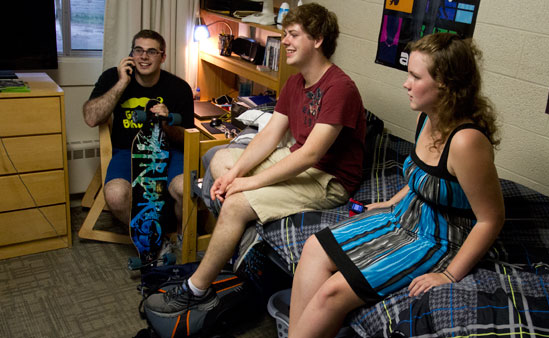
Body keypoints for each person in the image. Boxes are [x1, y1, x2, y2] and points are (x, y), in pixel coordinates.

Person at [144, 3, 366, 316]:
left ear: (317, 40)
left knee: (235, 201)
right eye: (285, 34)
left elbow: (311, 154)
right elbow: (269, 136)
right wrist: (236, 173)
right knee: (221, 161)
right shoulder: (295, 82)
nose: (285, 41)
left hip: (328, 179)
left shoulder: (339, 87)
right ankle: (238, 233)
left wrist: (250, 183)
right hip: (296, 158)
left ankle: (196, 291)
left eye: (293, 35)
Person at [287, 33, 506, 338]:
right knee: (313, 248)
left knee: (332, 293)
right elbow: (422, 174)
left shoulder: (467, 142)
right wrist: (391, 202)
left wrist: (449, 274)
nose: (406, 83)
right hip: (405, 215)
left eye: (415, 76)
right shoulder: (427, 117)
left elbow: (491, 219)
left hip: (438, 237)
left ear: (445, 83)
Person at [83, 29, 194, 236]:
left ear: (163, 57)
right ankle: (147, 236)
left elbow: (187, 137)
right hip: (127, 151)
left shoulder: (179, 88)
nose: (144, 56)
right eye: (138, 50)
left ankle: (180, 238)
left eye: (152, 51)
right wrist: (122, 83)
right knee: (116, 196)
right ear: (131, 54)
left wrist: (166, 123)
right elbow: (91, 118)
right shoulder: (113, 77)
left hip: (169, 152)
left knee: (183, 188)